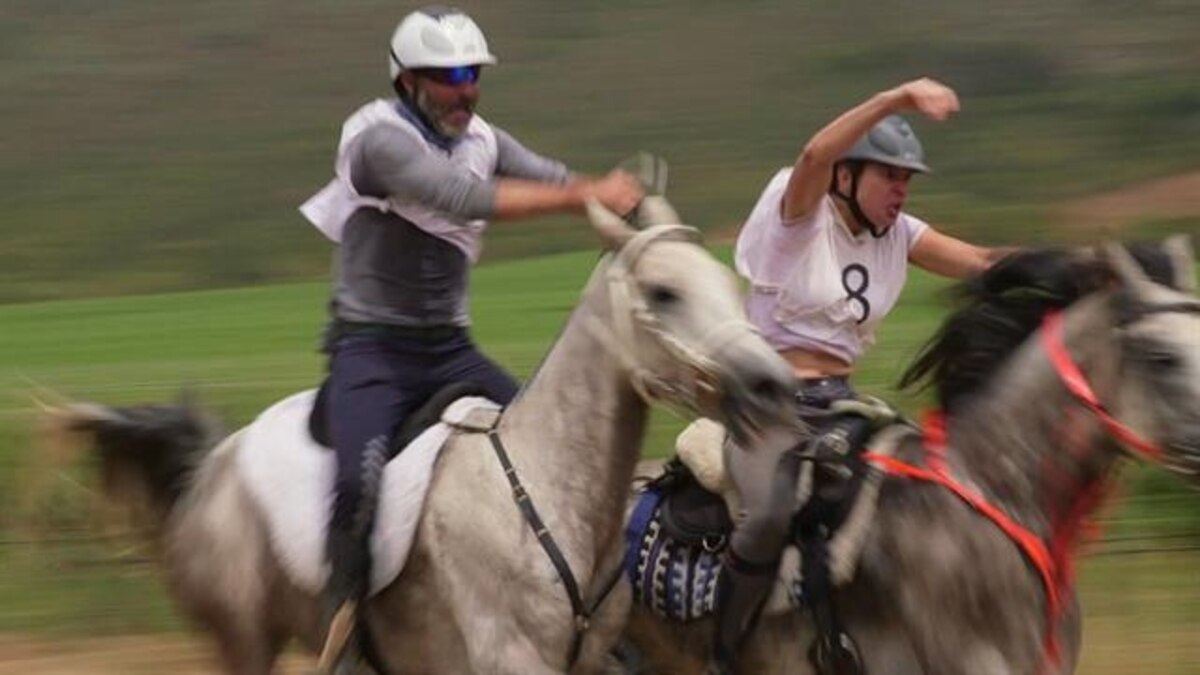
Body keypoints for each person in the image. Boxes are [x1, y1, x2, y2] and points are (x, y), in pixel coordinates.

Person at [298, 6, 644, 673]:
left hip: (450, 347)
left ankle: (602, 620)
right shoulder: (376, 140)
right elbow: (459, 197)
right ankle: (345, 632)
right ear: (407, 81)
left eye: (473, 75)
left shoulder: (482, 136)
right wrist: (581, 197)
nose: (467, 89)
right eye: (451, 75)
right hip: (372, 347)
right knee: (358, 483)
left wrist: (625, 207)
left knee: (563, 457)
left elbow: (551, 174)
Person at [710, 77, 1014, 673]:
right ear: (846, 177)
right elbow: (813, 156)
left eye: (907, 180)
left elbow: (981, 264)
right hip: (768, 405)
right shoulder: (798, 215)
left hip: (843, 405)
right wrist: (897, 99)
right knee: (771, 513)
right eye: (889, 176)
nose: (901, 190)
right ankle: (723, 648)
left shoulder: (898, 232)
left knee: (927, 491)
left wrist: (1079, 266)